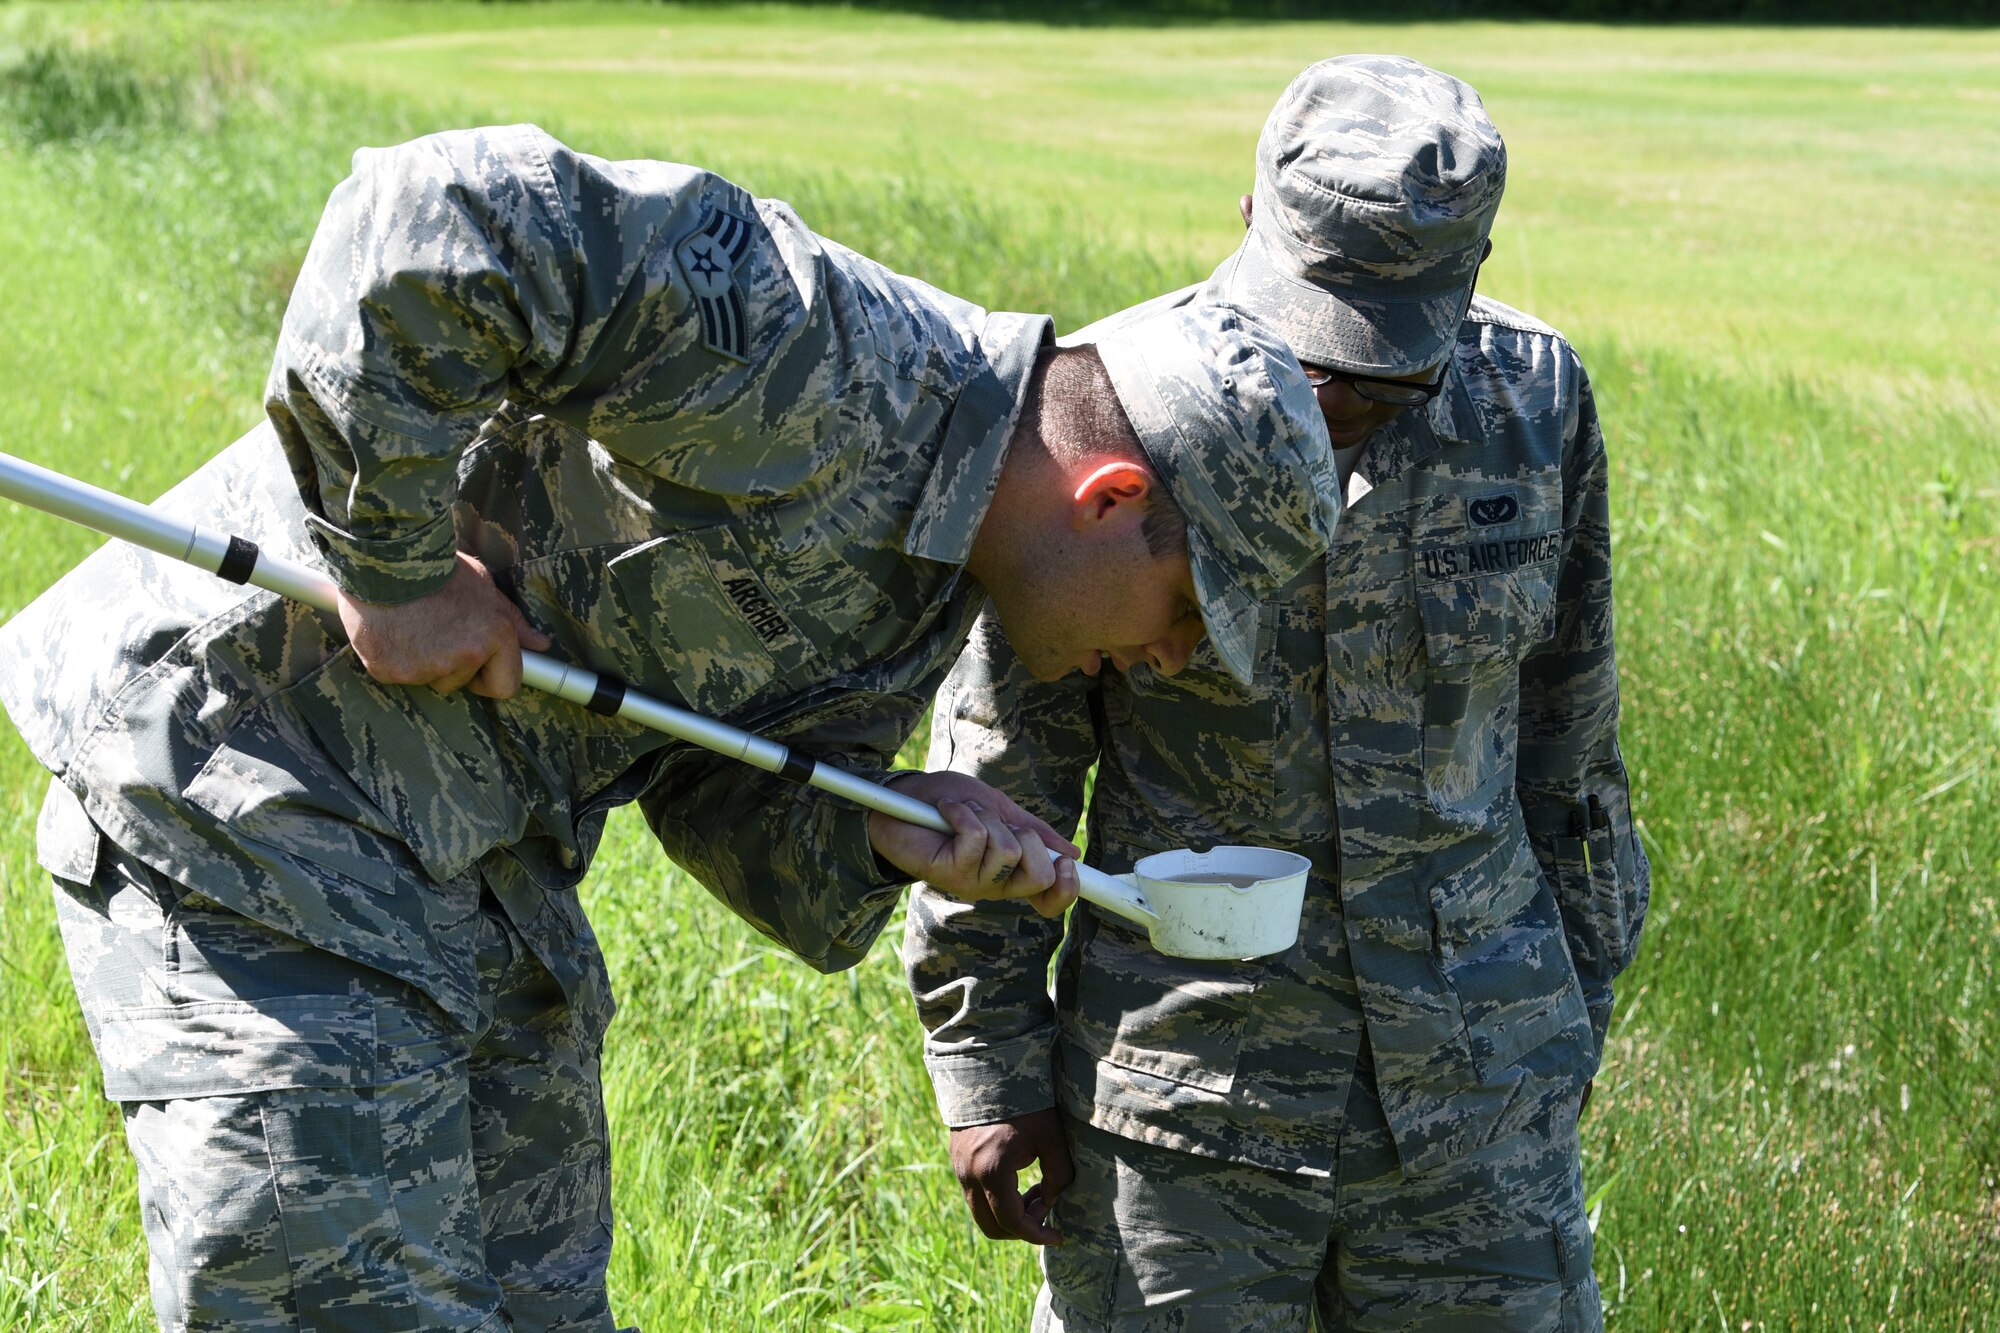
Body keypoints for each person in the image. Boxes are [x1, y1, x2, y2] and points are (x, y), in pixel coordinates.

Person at [0, 125, 1338, 1332]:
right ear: (1107, 497)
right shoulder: (802, 335)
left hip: (474, 864)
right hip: (246, 784)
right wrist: (390, 568)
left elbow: (713, 781)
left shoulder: (942, 584)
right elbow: (434, 209)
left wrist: (883, 836)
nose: (1166, 658)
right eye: (1185, 611)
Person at [905, 56, 1649, 1330]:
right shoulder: (1124, 411)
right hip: (1181, 1119)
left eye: (1383, 366)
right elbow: (994, 775)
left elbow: (1569, 752)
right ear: (1249, 225)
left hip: (1478, 1116)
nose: (1337, 396)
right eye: (1315, 347)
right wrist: (985, 1061)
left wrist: (1567, 1009)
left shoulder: (1534, 405)